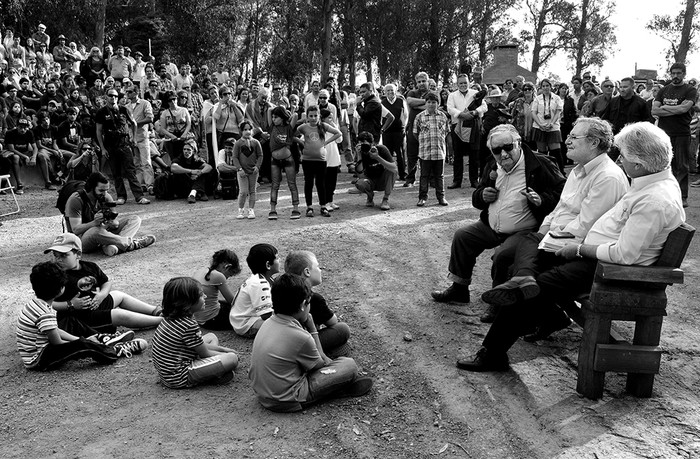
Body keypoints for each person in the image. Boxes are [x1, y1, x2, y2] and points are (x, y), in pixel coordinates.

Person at [456, 122, 686, 371]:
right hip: (597, 260)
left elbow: (625, 254)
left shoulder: (652, 199)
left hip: (608, 270)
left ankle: (493, 352)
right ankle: (518, 307)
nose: (618, 160)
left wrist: (577, 249)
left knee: (532, 284)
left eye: (623, 156)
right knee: (527, 267)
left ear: (639, 164)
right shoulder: (650, 183)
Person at [480, 117, 629, 323]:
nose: (567, 141)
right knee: (515, 255)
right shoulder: (578, 171)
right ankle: (548, 316)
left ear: (594, 143)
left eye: (574, 137)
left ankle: (538, 316)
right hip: (557, 235)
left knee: (515, 265)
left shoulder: (607, 177)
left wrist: (546, 237)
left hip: (579, 247)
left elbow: (584, 226)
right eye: (569, 136)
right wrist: (542, 233)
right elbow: (559, 210)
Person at [431, 124, 565, 305]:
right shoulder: (492, 165)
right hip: (492, 226)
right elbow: (477, 198)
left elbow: (564, 196)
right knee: (463, 237)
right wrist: (482, 195)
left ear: (519, 143)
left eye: (508, 147)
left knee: (502, 255)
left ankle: (498, 303)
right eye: (497, 150)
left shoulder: (542, 164)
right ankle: (459, 290)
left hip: (525, 230)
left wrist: (542, 200)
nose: (503, 154)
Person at [249, 273, 373, 412]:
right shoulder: (300, 336)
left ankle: (338, 387)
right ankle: (335, 391)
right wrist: (313, 329)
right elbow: (322, 364)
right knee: (349, 365)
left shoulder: (267, 323)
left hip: (263, 394)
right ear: (303, 305)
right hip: (287, 399)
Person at [16, 261, 146, 371]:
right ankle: (112, 350)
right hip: (39, 359)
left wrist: (80, 338)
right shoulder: (45, 313)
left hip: (41, 349)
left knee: (75, 327)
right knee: (82, 347)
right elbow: (57, 342)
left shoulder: (35, 303)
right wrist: (82, 342)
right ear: (61, 289)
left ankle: (98, 338)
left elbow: (55, 330)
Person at [47, 233, 163, 334]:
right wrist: (70, 304)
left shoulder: (90, 266)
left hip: (97, 303)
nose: (58, 260)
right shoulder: (56, 275)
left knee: (118, 295)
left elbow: (106, 283)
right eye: (56, 256)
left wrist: (102, 295)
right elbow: (48, 303)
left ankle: (155, 311)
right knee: (119, 315)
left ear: (78, 254)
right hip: (81, 318)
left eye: (63, 255)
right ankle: (162, 321)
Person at [152, 277, 239, 389]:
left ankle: (213, 370)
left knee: (211, 337)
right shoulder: (187, 324)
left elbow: (197, 345)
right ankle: (212, 374)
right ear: (187, 303)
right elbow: (205, 353)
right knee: (232, 359)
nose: (205, 297)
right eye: (201, 295)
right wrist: (226, 354)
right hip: (179, 376)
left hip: (170, 370)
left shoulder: (173, 318)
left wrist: (223, 350)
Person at [64, 172, 156, 256]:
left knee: (134, 219)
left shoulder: (106, 197)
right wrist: (94, 223)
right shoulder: (76, 199)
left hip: (104, 231)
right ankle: (130, 243)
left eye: (106, 190)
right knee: (96, 231)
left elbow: (115, 223)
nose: (104, 194)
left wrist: (112, 223)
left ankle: (113, 246)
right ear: (91, 188)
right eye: (101, 191)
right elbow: (75, 230)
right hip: (82, 239)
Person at [285, 251, 351, 358]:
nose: (320, 270)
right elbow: (333, 322)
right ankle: (326, 353)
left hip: (287, 340)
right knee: (343, 329)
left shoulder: (284, 290)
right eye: (318, 267)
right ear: (307, 271)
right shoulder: (313, 298)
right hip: (302, 343)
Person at [95, 88, 150, 205]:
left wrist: (133, 138)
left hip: (124, 143)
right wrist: (103, 148)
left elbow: (134, 123)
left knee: (130, 171)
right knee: (116, 173)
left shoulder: (124, 109)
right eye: (110, 96)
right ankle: (121, 196)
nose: (113, 98)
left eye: (115, 96)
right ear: (106, 97)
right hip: (110, 145)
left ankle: (139, 197)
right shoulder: (101, 112)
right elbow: (99, 131)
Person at [652, 62, 696, 208]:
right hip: (664, 132)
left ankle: (682, 196)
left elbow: (685, 109)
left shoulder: (690, 90)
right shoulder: (663, 90)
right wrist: (673, 109)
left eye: (679, 73)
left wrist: (665, 107)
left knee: (682, 165)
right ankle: (667, 194)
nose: (675, 76)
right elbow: (655, 111)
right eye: (673, 73)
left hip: (682, 132)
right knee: (665, 164)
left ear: (684, 74)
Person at [295, 105, 341, 217]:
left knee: (321, 183)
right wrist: (302, 143)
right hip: (307, 160)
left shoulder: (323, 126)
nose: (313, 118)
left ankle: (323, 206)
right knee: (309, 183)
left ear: (319, 116)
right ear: (307, 116)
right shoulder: (303, 127)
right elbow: (292, 135)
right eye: (311, 116)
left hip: (321, 160)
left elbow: (338, 133)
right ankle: (309, 207)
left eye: (316, 115)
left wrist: (325, 142)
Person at [447, 73, 487, 189]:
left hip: (473, 126)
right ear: (457, 84)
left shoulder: (475, 94)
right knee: (458, 154)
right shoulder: (452, 95)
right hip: (457, 126)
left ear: (469, 83)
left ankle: (474, 180)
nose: (463, 85)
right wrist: (461, 114)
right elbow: (450, 108)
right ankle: (457, 181)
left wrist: (475, 112)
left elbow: (484, 107)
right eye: (461, 83)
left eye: (465, 82)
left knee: (474, 154)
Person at [229, 243, 279, 337]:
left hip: (245, 320)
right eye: (277, 258)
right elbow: (266, 315)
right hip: (246, 325)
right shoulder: (259, 283)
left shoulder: (262, 279)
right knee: (284, 324)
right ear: (268, 265)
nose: (279, 260)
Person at [414, 92, 449, 207]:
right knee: (424, 175)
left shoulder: (443, 116)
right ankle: (422, 197)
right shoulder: (420, 117)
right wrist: (424, 142)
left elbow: (447, 131)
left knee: (439, 176)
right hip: (425, 152)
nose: (431, 104)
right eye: (429, 102)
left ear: (438, 104)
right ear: (425, 103)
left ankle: (441, 197)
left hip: (439, 151)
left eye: (434, 102)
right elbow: (415, 133)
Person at [191, 249, 242, 330]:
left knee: (223, 303)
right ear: (227, 267)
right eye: (230, 274)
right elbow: (232, 301)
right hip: (212, 320)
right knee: (244, 313)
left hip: (199, 318)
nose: (227, 278)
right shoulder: (218, 276)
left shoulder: (201, 271)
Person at [268, 106, 301, 220]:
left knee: (292, 184)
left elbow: (295, 115)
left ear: (282, 118)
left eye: (276, 117)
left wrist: (286, 114)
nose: (273, 119)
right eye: (272, 117)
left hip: (288, 159)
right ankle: (272, 209)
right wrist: (276, 110)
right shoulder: (272, 127)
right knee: (275, 185)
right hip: (274, 160)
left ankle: (295, 208)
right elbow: (269, 110)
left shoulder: (288, 128)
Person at [353, 131, 398, 210]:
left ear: (372, 143)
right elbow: (360, 176)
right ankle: (370, 197)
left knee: (391, 171)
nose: (363, 146)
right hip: (370, 180)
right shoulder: (361, 152)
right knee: (360, 183)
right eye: (360, 143)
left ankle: (385, 199)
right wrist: (359, 156)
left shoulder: (381, 149)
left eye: (364, 143)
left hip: (383, 181)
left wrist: (377, 157)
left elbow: (394, 168)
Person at [229, 120, 263, 219]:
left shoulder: (256, 142)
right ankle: (240, 209)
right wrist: (239, 169)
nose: (247, 131)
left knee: (252, 191)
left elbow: (260, 155)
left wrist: (257, 166)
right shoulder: (238, 143)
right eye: (245, 130)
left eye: (249, 129)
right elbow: (235, 157)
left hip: (253, 171)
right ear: (241, 131)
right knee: (243, 191)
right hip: (242, 171)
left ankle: (251, 209)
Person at [531, 78, 565, 173]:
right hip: (539, 126)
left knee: (556, 152)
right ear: (541, 87)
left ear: (551, 87)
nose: (545, 88)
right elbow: (533, 113)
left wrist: (552, 123)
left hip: (553, 127)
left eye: (547, 86)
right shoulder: (537, 99)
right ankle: (545, 173)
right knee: (542, 153)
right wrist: (540, 124)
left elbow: (558, 112)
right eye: (543, 86)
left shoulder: (557, 98)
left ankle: (561, 173)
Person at [170, 138, 212, 203]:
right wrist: (191, 171)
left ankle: (193, 194)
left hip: (194, 182)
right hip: (183, 186)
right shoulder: (180, 158)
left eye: (188, 150)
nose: (186, 152)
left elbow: (209, 167)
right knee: (181, 172)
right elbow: (173, 168)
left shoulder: (196, 159)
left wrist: (199, 173)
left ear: (194, 151)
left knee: (203, 173)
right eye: (184, 149)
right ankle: (200, 192)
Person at [381, 83, 407, 181]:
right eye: (388, 90)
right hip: (387, 132)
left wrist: (404, 126)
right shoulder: (382, 102)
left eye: (392, 90)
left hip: (399, 131)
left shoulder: (401, 101)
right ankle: (389, 174)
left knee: (400, 153)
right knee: (387, 153)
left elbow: (406, 115)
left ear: (395, 91)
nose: (390, 92)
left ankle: (402, 174)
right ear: (385, 92)